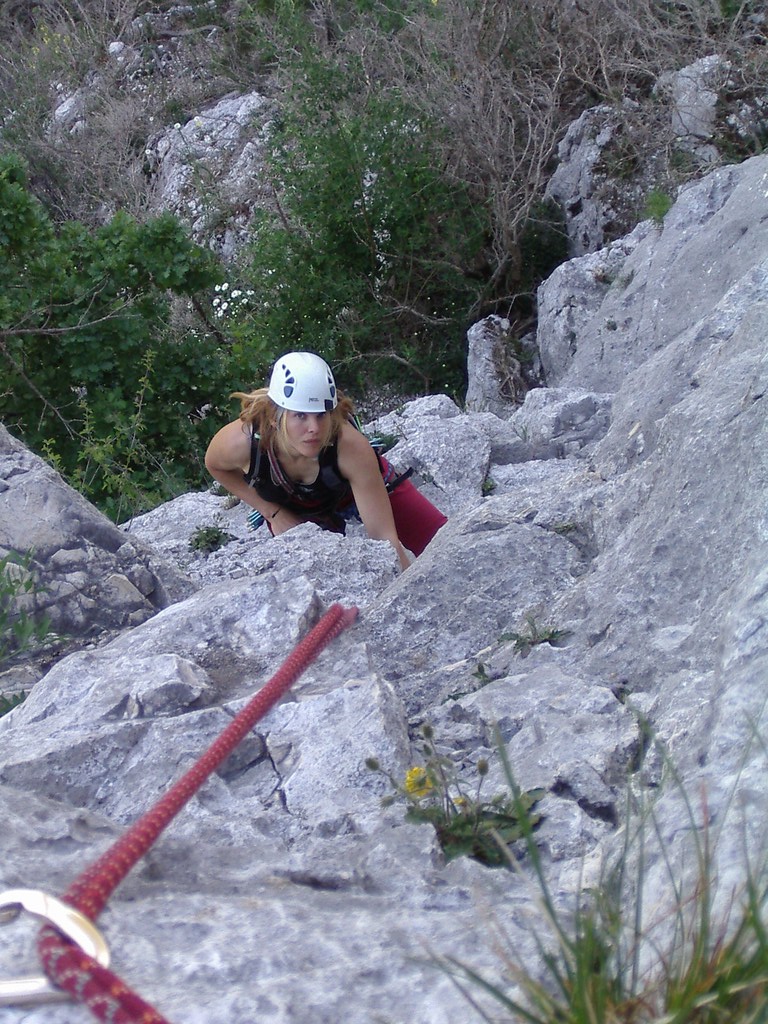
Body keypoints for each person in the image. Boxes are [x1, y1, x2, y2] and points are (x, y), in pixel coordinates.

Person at [204, 351, 447, 571]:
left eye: (321, 415)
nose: (314, 428)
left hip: (356, 490)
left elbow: (385, 541)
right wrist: (273, 512)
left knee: (444, 546)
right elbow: (215, 465)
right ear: (274, 418)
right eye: (300, 415)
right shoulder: (243, 442)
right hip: (294, 507)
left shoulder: (350, 447)